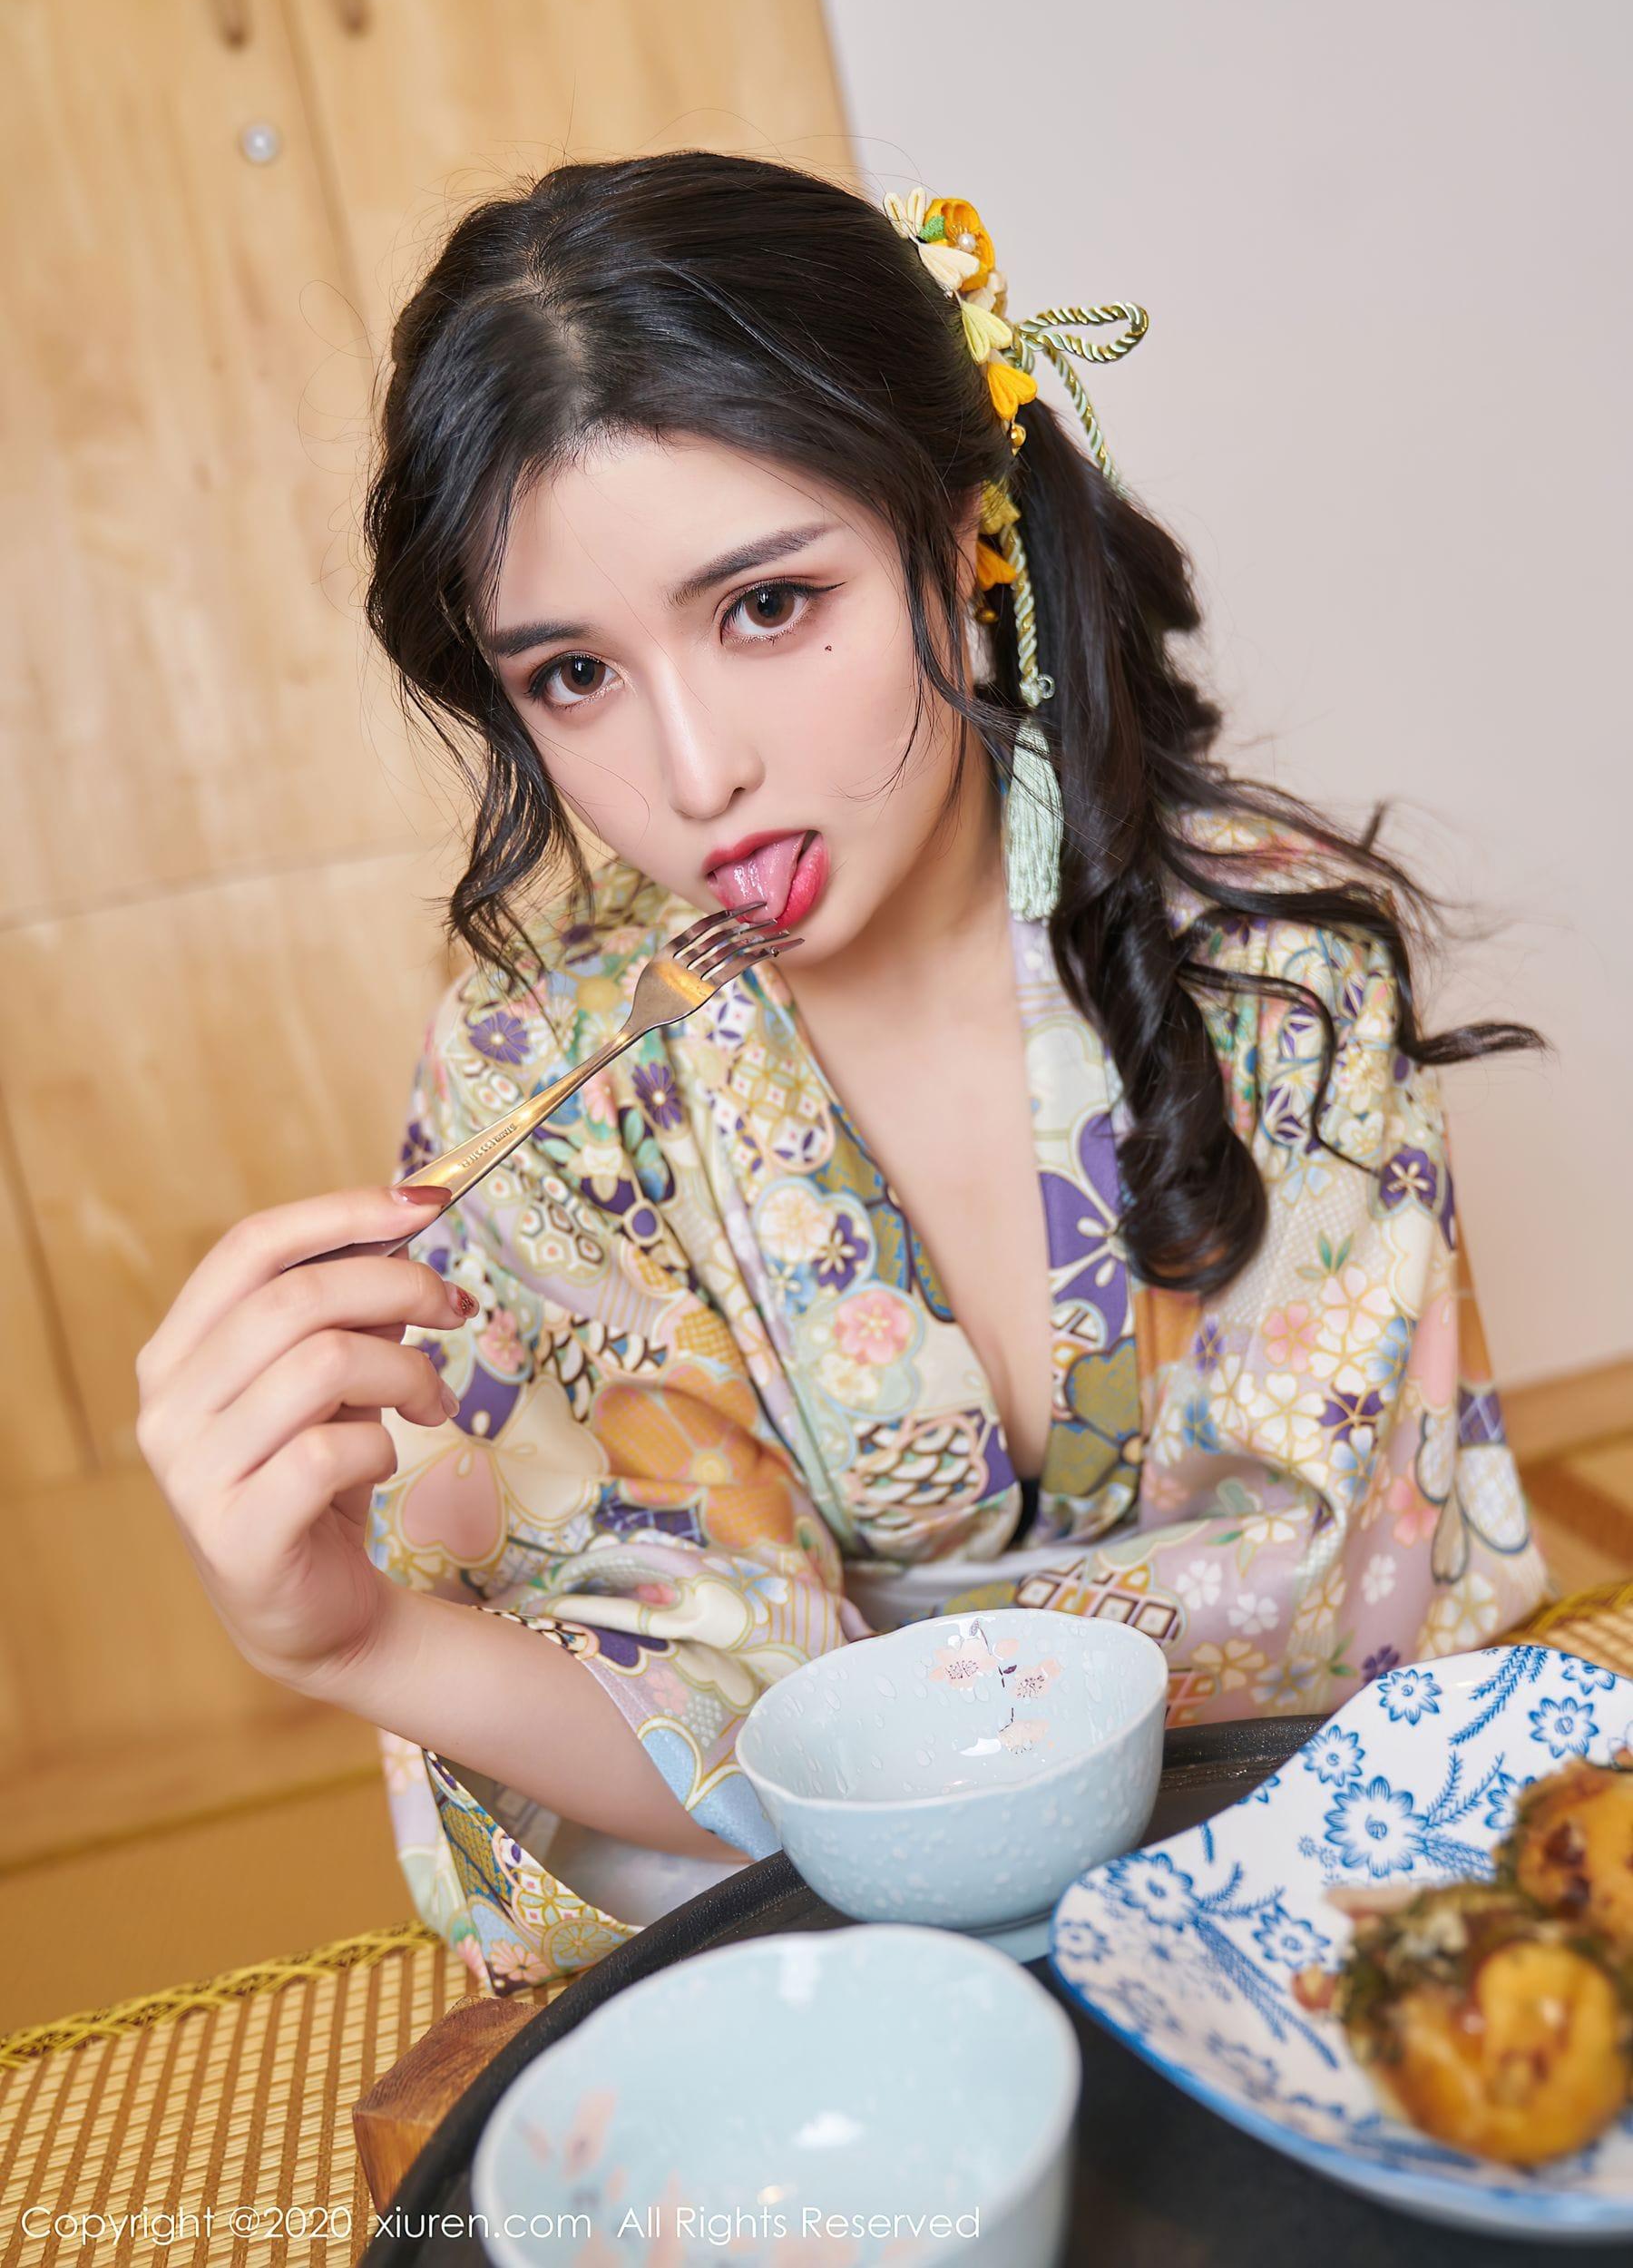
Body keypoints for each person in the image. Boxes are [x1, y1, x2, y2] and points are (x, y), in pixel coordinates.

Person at [135, 152, 1553, 1999]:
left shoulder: (1280, 974)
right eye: (571, 673)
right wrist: (346, 1634)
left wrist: (857, 1687)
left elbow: (1354, 1628)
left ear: (960, 543)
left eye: (768, 606)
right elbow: (687, 1712)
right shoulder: (546, 1074)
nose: (695, 769)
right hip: (863, 1995)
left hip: (1295, 1917)